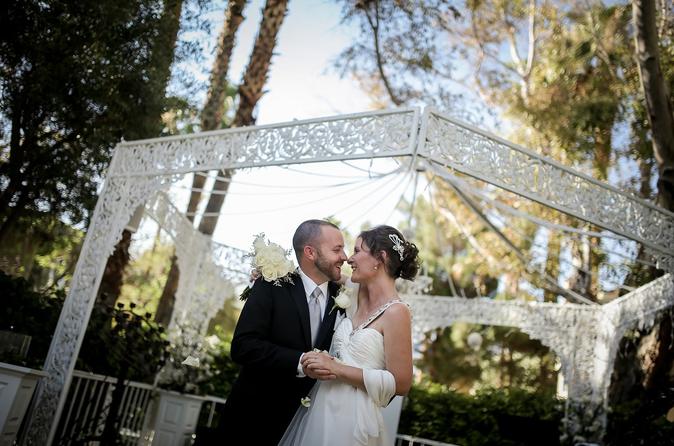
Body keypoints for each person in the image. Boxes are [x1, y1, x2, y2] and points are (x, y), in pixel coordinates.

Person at [278, 225, 420, 446]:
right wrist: (275, 275)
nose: (349, 259)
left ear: (380, 258)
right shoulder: (355, 291)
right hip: (320, 406)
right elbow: (315, 271)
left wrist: (336, 368)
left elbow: (401, 383)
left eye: (357, 250)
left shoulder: (397, 312)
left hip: (353, 420)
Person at [219, 220, 348, 445]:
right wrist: (300, 362)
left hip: (311, 426)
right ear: (310, 252)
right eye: (337, 249)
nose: (344, 256)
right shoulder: (271, 285)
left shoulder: (345, 297)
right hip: (253, 421)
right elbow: (243, 346)